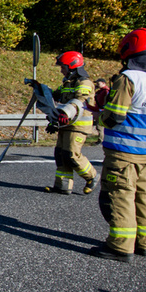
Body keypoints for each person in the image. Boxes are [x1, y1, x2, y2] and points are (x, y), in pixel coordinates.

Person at [90, 28, 146, 262]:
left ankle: (120, 246)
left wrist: (102, 110)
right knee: (144, 197)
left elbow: (114, 116)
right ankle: (144, 243)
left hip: (124, 153)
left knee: (121, 197)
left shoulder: (129, 78)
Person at [45, 51, 99, 195]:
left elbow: (79, 102)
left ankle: (92, 176)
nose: (61, 70)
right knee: (60, 154)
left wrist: (65, 113)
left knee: (71, 154)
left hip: (78, 125)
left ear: (72, 66)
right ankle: (62, 186)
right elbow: (56, 96)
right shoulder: (67, 83)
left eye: (63, 67)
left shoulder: (84, 83)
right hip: (66, 123)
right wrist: (40, 88)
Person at [90, 78, 110, 142]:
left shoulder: (106, 91)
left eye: (98, 83)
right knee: (98, 126)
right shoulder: (100, 91)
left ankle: (101, 140)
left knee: (99, 126)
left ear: (103, 83)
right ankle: (101, 139)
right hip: (98, 109)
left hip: (102, 110)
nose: (97, 84)